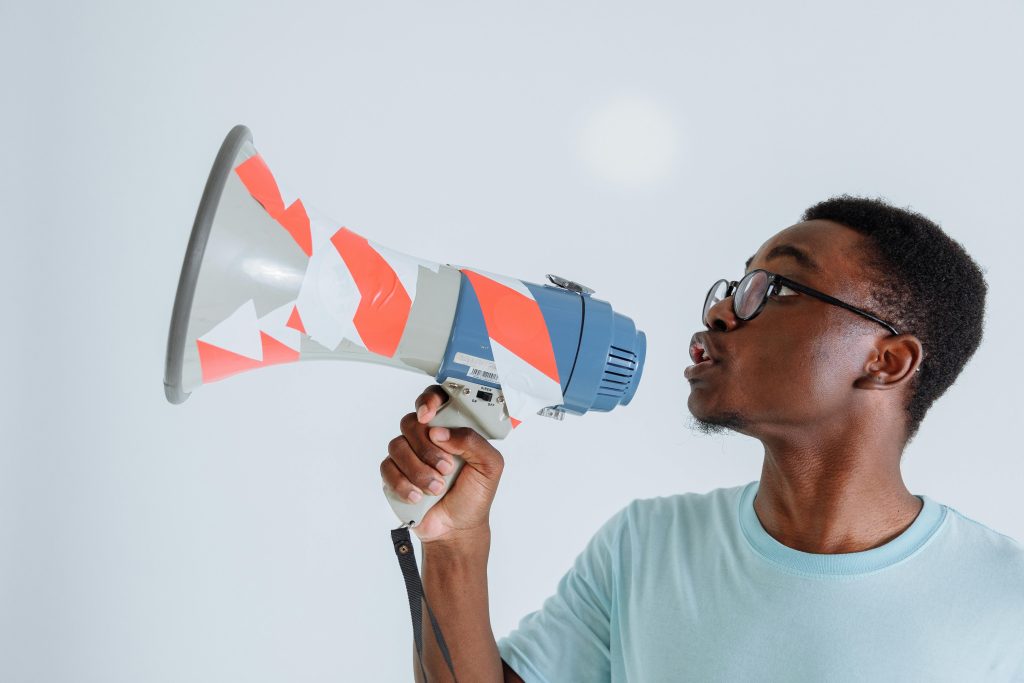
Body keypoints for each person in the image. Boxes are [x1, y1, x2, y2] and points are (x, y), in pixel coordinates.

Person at [379, 196, 1024, 682]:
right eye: (735, 286)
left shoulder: (1006, 602)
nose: (720, 311)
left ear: (887, 361)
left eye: (773, 289)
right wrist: (456, 543)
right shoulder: (645, 546)